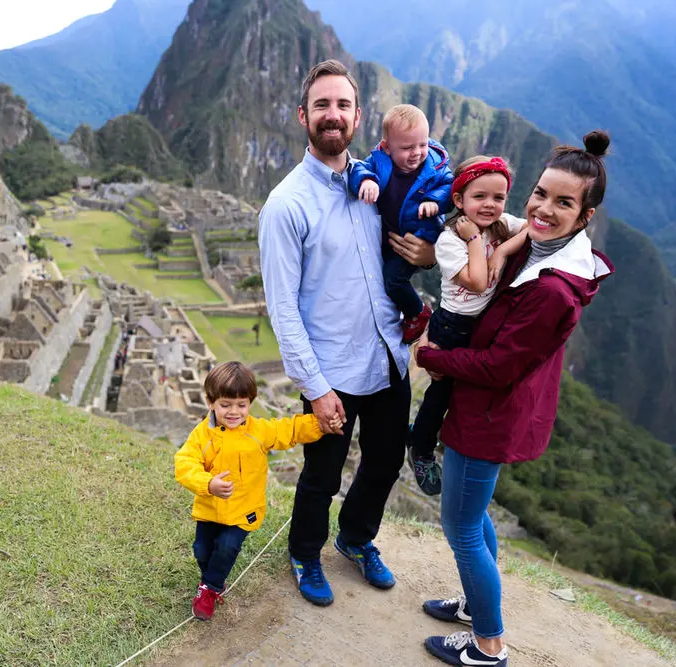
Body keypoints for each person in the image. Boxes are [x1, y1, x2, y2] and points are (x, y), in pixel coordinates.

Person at [415, 131, 615, 666]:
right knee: (474, 516)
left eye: (564, 202)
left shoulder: (553, 289)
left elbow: (500, 367)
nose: (545, 209)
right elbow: (485, 243)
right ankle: (474, 607)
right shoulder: (536, 245)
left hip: (490, 415)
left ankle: (488, 644)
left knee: (459, 526)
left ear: (585, 215)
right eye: (541, 193)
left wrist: (432, 358)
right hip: (483, 407)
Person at [259, 59, 435, 607]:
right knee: (322, 474)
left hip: (386, 356)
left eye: (342, 105)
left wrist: (428, 255)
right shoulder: (287, 205)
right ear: (303, 116)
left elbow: (416, 239)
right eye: (321, 106)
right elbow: (283, 309)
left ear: (358, 116)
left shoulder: (379, 183)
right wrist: (315, 388)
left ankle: (356, 538)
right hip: (332, 368)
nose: (332, 116)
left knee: (384, 462)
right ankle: (306, 553)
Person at [407, 156, 527, 495]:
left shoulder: (501, 225)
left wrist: (501, 250)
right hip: (453, 325)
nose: (490, 205)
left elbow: (535, 227)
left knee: (467, 393)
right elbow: (475, 282)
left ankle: (425, 436)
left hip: (483, 324)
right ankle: (422, 447)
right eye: (480, 197)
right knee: (441, 393)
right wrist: (476, 240)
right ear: (459, 200)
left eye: (498, 197)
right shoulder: (451, 239)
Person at [174, 362, 329, 620]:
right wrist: (208, 484)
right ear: (211, 402)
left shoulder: (259, 431)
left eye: (241, 405)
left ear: (250, 402)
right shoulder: (203, 435)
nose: (234, 412)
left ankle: (210, 588)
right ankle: (212, 578)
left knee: (226, 548)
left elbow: (288, 430)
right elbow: (185, 463)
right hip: (210, 508)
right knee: (201, 549)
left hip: (244, 510)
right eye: (226, 405)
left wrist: (320, 423)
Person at [349, 104, 454, 343]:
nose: (417, 153)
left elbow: (451, 187)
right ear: (387, 148)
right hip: (388, 237)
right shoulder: (379, 162)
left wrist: (434, 202)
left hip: (419, 236)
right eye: (407, 147)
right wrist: (366, 181)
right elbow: (359, 169)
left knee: (393, 279)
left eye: (423, 145)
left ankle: (418, 312)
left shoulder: (435, 168)